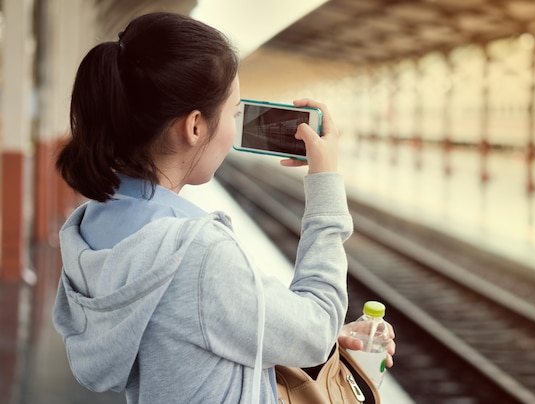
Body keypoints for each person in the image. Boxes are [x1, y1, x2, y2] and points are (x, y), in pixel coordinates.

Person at [52, 11, 394, 404]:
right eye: (233, 112)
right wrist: (325, 184)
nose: (235, 127)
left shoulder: (88, 227)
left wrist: (278, 329)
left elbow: (181, 327)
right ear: (195, 126)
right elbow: (315, 331)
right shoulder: (197, 255)